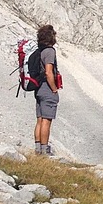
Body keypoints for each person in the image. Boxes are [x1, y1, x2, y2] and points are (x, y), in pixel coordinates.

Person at [33, 24, 60, 155]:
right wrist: (54, 89)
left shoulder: (39, 50)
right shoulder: (49, 51)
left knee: (39, 119)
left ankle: (38, 150)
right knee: (46, 120)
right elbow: (49, 73)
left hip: (38, 88)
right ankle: (44, 151)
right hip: (47, 88)